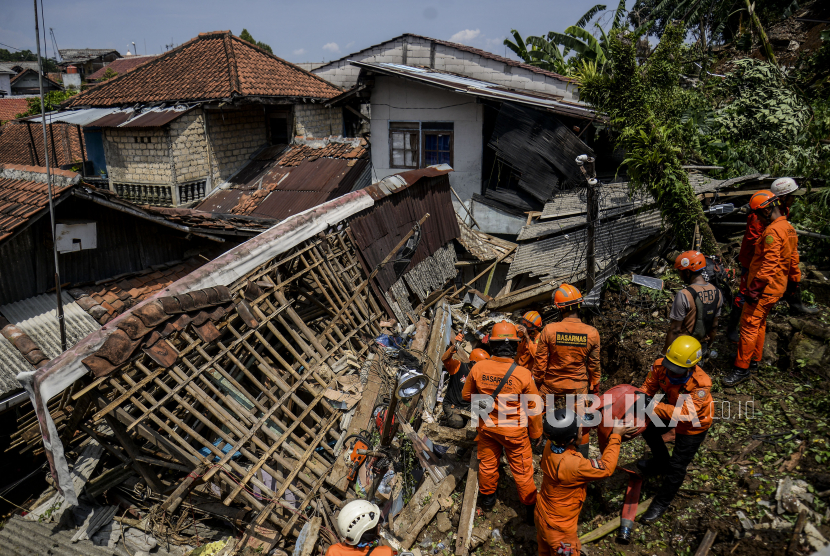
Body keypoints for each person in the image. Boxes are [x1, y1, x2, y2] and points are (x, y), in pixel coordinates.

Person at [462, 321, 543, 523]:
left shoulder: (479, 367)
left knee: (488, 466)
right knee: (523, 472)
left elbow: (467, 396)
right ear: (515, 346)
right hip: (515, 433)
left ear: (492, 345)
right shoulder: (523, 374)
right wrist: (536, 434)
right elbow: (534, 409)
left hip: (488, 428)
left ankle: (488, 502)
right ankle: (530, 512)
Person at [723, 190, 801, 386]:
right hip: (776, 288)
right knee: (760, 324)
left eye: (757, 214)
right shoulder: (788, 228)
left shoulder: (772, 232)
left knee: (749, 325)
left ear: (766, 211)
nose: (757, 218)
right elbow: (794, 260)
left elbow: (769, 264)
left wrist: (754, 289)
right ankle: (753, 361)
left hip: (764, 289)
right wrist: (793, 283)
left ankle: (741, 369)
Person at [535, 408, 634, 556]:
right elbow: (606, 468)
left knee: (544, 551)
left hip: (542, 514)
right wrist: (615, 436)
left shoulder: (550, 445)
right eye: (580, 431)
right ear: (571, 439)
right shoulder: (574, 465)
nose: (582, 432)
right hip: (561, 532)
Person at [638, 335, 713, 523]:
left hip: (693, 423)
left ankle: (661, 503)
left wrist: (651, 406)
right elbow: (647, 388)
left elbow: (686, 414)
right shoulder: (659, 366)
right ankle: (660, 462)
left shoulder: (701, 384)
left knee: (677, 466)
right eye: (670, 367)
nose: (671, 372)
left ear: (691, 367)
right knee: (647, 428)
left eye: (677, 371)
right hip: (670, 409)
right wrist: (640, 401)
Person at [534, 284, 601, 457]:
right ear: (579, 304)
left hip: (551, 384)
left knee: (536, 412)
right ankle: (580, 455)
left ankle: (541, 445)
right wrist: (595, 385)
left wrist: (537, 384)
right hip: (578, 385)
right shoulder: (592, 333)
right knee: (580, 423)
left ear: (559, 307)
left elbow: (540, 365)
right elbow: (594, 365)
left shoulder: (549, 330)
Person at [770, 178, 817, 315]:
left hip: (784, 247)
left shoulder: (784, 209)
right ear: (783, 197)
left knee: (793, 273)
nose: (795, 200)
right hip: (771, 251)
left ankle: (796, 306)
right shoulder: (765, 213)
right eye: (792, 197)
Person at [663, 251, 722, 355]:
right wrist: (708, 346)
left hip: (683, 348)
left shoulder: (684, 294)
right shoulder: (717, 292)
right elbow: (714, 326)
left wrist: (664, 354)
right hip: (700, 347)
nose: (680, 275)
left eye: (680, 272)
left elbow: (675, 329)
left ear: (687, 272)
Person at [441, 334, 489, 429]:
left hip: (468, 406)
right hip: (452, 405)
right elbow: (445, 359)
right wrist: (454, 347)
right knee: (458, 423)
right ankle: (446, 419)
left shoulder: (481, 375)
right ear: (474, 362)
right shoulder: (458, 366)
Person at [327, 500, 393, 556]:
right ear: (370, 530)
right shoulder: (386, 553)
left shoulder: (333, 552)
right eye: (378, 522)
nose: (379, 525)